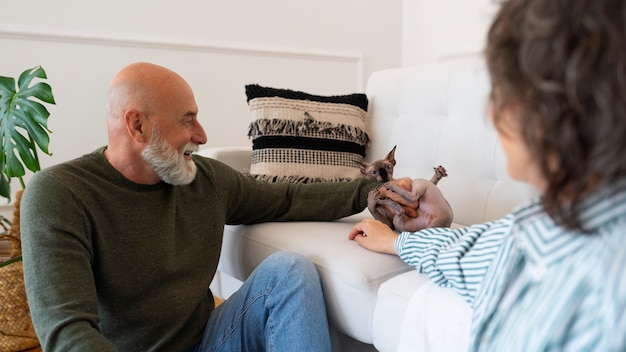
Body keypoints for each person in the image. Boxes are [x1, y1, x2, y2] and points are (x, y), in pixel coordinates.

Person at [20, 62, 390, 352]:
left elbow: (287, 198)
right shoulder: (60, 194)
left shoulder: (205, 180)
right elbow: (68, 332)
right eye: (187, 120)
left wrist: (375, 194)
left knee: (289, 269)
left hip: (209, 341)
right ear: (137, 125)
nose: (202, 135)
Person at [349, 0, 626, 350]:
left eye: (501, 92)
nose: (491, 110)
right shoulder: (541, 222)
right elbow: (472, 248)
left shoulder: (589, 305)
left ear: (550, 110)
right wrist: (396, 242)